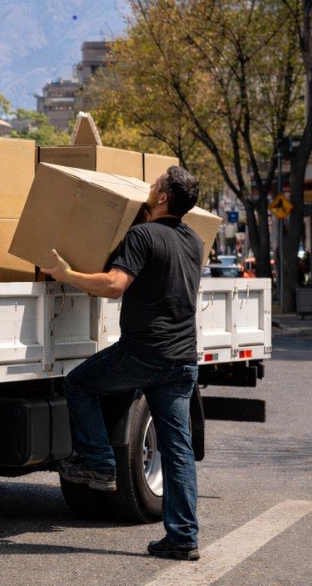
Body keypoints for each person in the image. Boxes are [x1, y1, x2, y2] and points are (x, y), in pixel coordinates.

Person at [42, 166, 204, 562]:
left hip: (144, 353)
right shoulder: (195, 241)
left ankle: (99, 464)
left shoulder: (143, 235)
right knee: (178, 449)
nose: (150, 186)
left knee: (79, 384)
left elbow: (115, 286)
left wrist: (67, 274)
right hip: (183, 360)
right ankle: (183, 538)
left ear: (163, 197)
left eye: (156, 183)